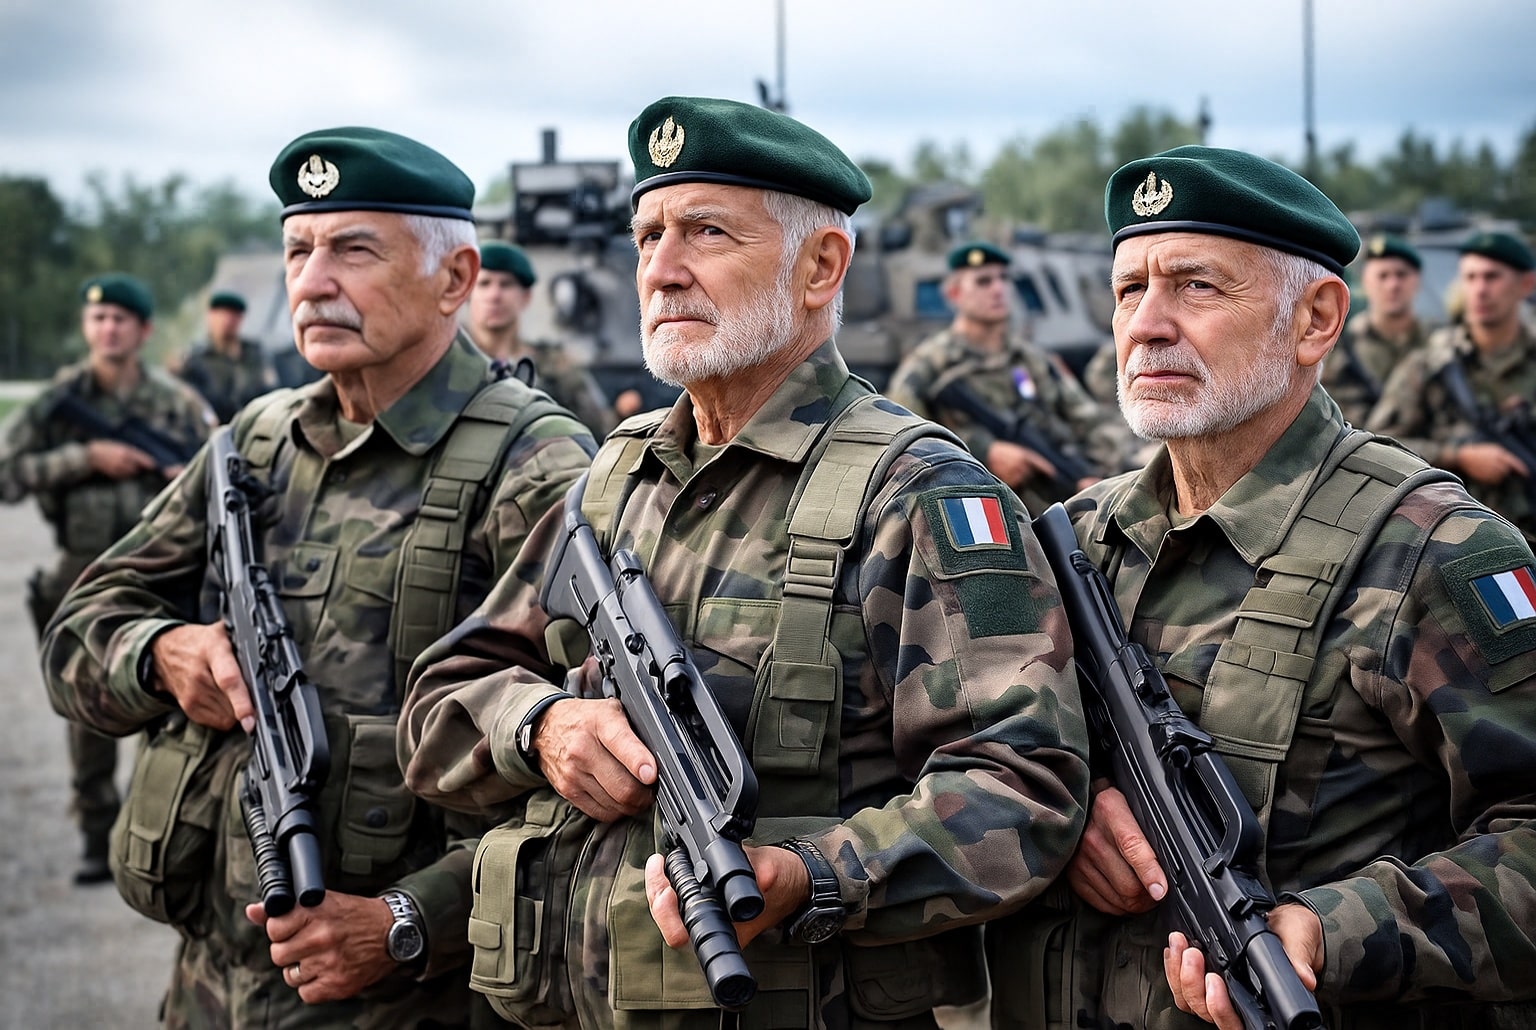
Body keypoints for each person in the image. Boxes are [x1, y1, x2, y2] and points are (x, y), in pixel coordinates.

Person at [398, 95, 1090, 1029]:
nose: (662, 271)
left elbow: (1024, 789)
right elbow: (441, 702)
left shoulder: (917, 495)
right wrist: (542, 725)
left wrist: (813, 877)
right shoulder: (619, 474)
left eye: (706, 233)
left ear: (820, 266)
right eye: (647, 236)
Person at [41, 127, 597, 1027]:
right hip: (212, 988)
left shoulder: (534, 466)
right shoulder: (255, 441)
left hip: (414, 1002)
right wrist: (162, 653)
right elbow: (80, 627)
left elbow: (601, 774)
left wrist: (406, 920)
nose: (310, 281)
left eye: (353, 250)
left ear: (454, 278)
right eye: (298, 249)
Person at [990, 146, 1536, 1030]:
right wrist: (1072, 804)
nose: (1149, 325)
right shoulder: (1081, 538)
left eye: (1197, 287)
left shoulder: (1433, 551)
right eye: (1130, 290)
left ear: (1314, 320)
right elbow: (987, 745)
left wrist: (1336, 930)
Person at [0, 272, 213, 885]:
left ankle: (161, 839)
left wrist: (179, 476)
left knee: (173, 706)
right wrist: (85, 459)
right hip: (82, 570)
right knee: (87, 708)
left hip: (167, 575)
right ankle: (96, 832)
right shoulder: (61, 399)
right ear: (85, 327)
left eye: (121, 318)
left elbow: (222, 473)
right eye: (98, 319)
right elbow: (6, 472)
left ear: (143, 330)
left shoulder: (174, 400)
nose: (108, 328)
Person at [885, 242, 1130, 515]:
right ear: (954, 294)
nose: (998, 289)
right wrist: (983, 453)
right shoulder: (927, 367)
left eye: (1004, 279)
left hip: (1064, 495)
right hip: (984, 508)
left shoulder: (1032, 359)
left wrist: (1103, 477)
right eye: (983, 281)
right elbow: (902, 445)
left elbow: (1088, 420)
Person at [1368, 231, 1536, 546]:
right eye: (1470, 277)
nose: (1480, 290)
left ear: (1525, 285)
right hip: (1457, 542)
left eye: (1492, 277)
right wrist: (1458, 456)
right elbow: (1378, 446)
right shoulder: (1431, 363)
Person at [468, 239, 617, 435]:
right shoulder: (452, 360)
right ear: (467, 292)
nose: (494, 295)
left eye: (506, 284)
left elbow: (600, 428)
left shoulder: (554, 364)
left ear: (526, 297)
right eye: (484, 283)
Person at [1319, 233, 1431, 427]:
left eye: (1401, 275)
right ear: (1365, 282)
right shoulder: (1338, 345)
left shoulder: (1437, 342)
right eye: (1383, 276)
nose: (1393, 285)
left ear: (1417, 281)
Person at [178, 290, 277, 423]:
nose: (227, 320)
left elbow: (270, 392)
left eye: (233, 315)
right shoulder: (194, 362)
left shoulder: (256, 355)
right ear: (210, 317)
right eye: (221, 314)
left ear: (240, 319)